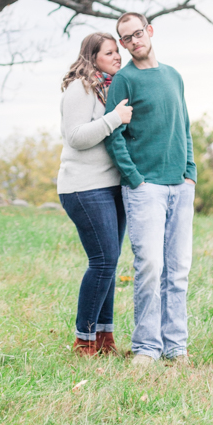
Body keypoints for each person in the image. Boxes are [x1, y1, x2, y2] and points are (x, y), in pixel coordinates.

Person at [104, 13, 196, 366]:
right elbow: (116, 136)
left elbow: (184, 125)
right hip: (146, 189)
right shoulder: (124, 81)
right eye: (126, 38)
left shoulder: (173, 76)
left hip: (180, 186)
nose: (134, 41)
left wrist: (190, 173)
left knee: (178, 271)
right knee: (150, 267)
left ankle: (176, 347)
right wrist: (135, 179)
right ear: (124, 44)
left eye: (138, 33)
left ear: (150, 32)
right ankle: (146, 348)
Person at [57, 33, 134, 356]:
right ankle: (83, 340)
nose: (118, 56)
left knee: (110, 263)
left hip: (110, 186)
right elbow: (75, 137)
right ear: (92, 56)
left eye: (118, 52)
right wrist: (115, 118)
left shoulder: (106, 89)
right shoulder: (80, 89)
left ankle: (104, 339)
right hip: (83, 187)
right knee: (102, 262)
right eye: (110, 52)